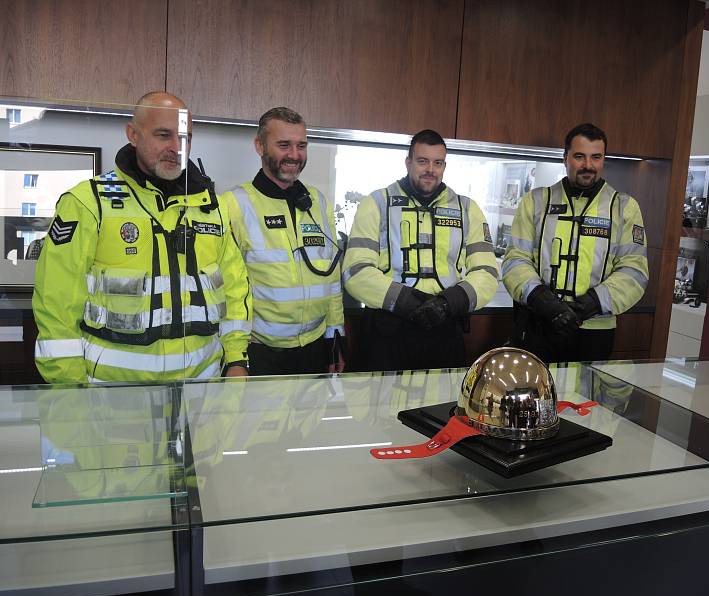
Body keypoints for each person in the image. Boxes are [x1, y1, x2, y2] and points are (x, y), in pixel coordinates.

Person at [33, 91, 252, 383]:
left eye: (185, 137)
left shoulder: (212, 207)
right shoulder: (88, 203)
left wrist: (236, 359)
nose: (177, 147)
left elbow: (235, 291)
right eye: (164, 135)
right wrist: (72, 394)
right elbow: (56, 308)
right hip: (112, 401)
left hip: (200, 396)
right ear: (133, 134)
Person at [342, 129, 498, 371]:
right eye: (422, 161)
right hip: (387, 332)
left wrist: (448, 303)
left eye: (438, 163)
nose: (430, 170)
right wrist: (407, 302)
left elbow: (487, 273)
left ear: (444, 166)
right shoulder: (376, 203)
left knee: (440, 407)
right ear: (408, 162)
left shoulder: (467, 209)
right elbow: (355, 270)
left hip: (444, 329)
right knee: (381, 408)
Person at [502, 123, 648, 363]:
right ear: (565, 158)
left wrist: (589, 304)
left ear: (603, 159)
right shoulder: (536, 201)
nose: (588, 165)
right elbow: (515, 260)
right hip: (539, 325)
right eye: (579, 156)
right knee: (536, 398)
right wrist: (546, 303)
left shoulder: (624, 207)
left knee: (586, 400)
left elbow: (635, 272)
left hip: (594, 332)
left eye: (596, 157)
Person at [221, 107, 345, 376]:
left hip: (314, 351)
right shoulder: (233, 204)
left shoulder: (317, 201)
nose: (294, 155)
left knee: (309, 420)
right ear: (260, 145)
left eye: (301, 145)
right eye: (284, 145)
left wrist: (335, 336)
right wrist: (235, 358)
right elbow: (228, 290)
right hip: (261, 353)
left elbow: (331, 274)